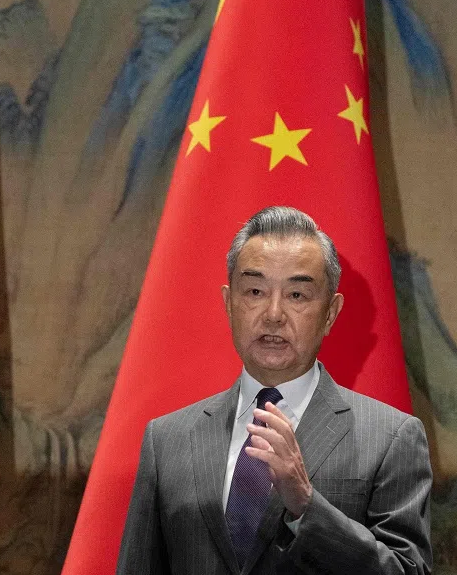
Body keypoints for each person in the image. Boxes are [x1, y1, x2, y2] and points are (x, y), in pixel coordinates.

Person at [116, 206, 432, 574]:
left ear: (330, 313)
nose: (273, 314)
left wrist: (307, 505)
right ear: (228, 304)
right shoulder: (167, 439)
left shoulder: (392, 438)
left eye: (297, 295)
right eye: (254, 290)